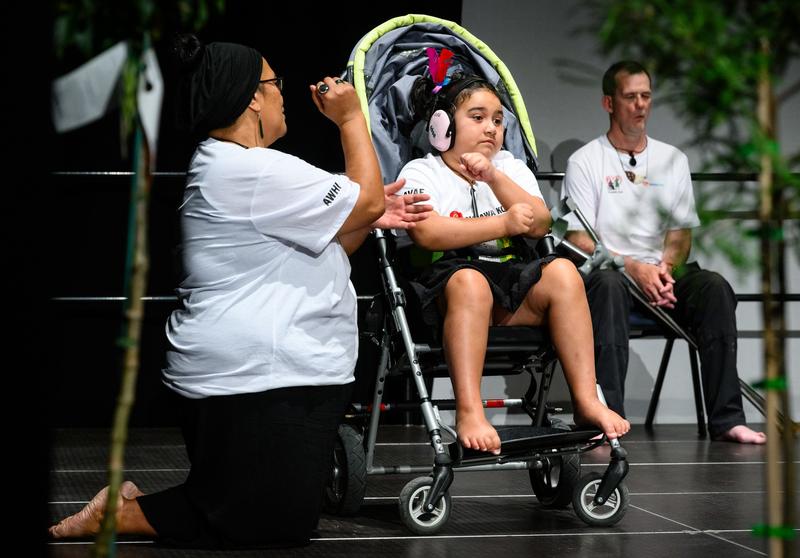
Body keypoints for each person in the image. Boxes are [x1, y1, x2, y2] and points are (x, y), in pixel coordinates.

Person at [48, 35, 432, 548]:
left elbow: (341, 235)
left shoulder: (247, 170)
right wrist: (350, 120)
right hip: (252, 378)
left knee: (279, 517)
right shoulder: (247, 169)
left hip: (280, 375)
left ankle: (129, 510)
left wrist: (360, 211)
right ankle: (115, 516)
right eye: (274, 85)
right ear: (252, 96)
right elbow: (360, 202)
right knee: (255, 521)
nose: (282, 95)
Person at [397, 71, 630, 456]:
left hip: (508, 287)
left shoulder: (510, 167)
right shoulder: (423, 172)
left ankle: (587, 401)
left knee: (562, 272)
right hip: (446, 288)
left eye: (498, 119)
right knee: (470, 281)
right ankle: (469, 412)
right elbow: (428, 233)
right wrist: (502, 222)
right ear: (442, 124)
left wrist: (492, 175)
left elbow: (539, 222)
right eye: (477, 117)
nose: (491, 127)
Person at [562, 60, 765, 445]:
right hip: (615, 276)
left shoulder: (673, 159)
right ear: (609, 103)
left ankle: (727, 420)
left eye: (646, 96)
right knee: (606, 285)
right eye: (630, 97)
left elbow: (680, 232)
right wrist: (633, 267)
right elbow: (580, 240)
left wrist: (665, 270)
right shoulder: (585, 161)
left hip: (663, 279)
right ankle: (607, 421)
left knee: (714, 288)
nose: (640, 105)